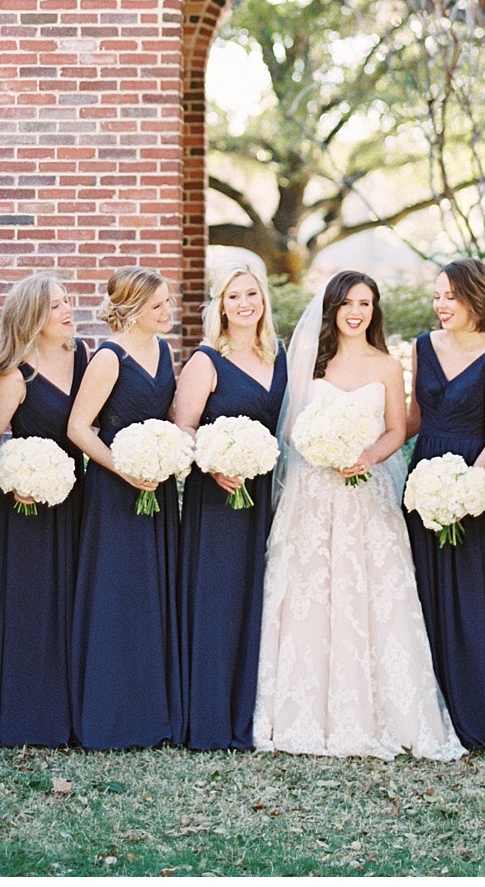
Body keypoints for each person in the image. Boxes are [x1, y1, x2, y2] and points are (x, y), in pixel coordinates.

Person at [254, 271, 464, 760]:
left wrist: (366, 456)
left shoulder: (389, 367)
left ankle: (381, 714)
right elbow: (288, 428)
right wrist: (320, 447)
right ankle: (300, 713)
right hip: (313, 493)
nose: (356, 311)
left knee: (373, 596)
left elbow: (397, 430)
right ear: (332, 309)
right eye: (347, 302)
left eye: (365, 303)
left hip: (367, 495)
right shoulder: (309, 363)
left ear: (375, 311)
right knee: (309, 595)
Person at [68, 268, 183, 749]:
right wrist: (123, 469)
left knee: (152, 596)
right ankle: (112, 713)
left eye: (168, 303)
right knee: (117, 597)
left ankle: (152, 712)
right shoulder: (108, 358)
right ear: (132, 308)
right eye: (158, 305)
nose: (167, 312)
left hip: (155, 488)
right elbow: (79, 428)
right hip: (115, 491)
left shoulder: (165, 351)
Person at [175, 258, 287, 749]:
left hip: (263, 491)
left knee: (256, 596)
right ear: (219, 305)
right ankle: (209, 718)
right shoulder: (206, 360)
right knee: (217, 599)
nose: (244, 304)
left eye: (251, 295)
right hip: (218, 494)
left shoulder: (279, 355)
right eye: (233, 296)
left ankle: (248, 712)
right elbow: (183, 428)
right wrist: (215, 463)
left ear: (264, 300)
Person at [405, 257, 485, 750]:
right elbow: (411, 418)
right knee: (421, 592)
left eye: (451, 295)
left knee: (467, 596)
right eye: (437, 296)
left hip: (472, 487)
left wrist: (464, 489)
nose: (441, 305)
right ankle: (425, 709)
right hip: (422, 477)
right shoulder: (423, 347)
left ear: (476, 298)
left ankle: (472, 707)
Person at [0, 273, 89, 747]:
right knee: (30, 603)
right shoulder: (15, 372)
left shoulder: (83, 356)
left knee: (71, 597)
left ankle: (71, 709)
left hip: (75, 495)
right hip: (24, 504)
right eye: (54, 306)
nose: (67, 310)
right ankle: (26, 712)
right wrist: (16, 475)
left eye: (67, 301)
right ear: (31, 318)